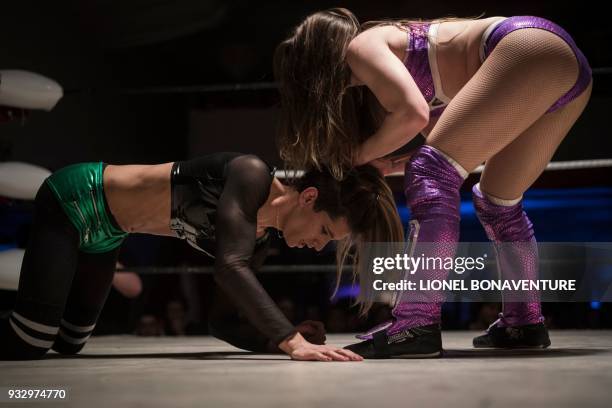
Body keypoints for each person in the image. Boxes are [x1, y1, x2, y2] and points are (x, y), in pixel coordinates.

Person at [275, 9, 592, 357]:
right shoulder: (387, 75)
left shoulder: (361, 46)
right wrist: (390, 163)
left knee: (432, 173)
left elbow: (414, 115)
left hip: (527, 49)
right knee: (497, 202)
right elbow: (449, 147)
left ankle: (416, 323)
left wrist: (359, 155)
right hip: (566, 70)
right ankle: (524, 322)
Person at [0, 152, 402, 361]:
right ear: (309, 197)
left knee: (70, 344)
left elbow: (222, 322)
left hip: (108, 235)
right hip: (74, 197)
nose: (318, 246)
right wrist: (292, 340)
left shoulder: (258, 240)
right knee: (31, 343)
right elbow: (229, 268)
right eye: (324, 232)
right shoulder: (251, 174)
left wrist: (280, 341)